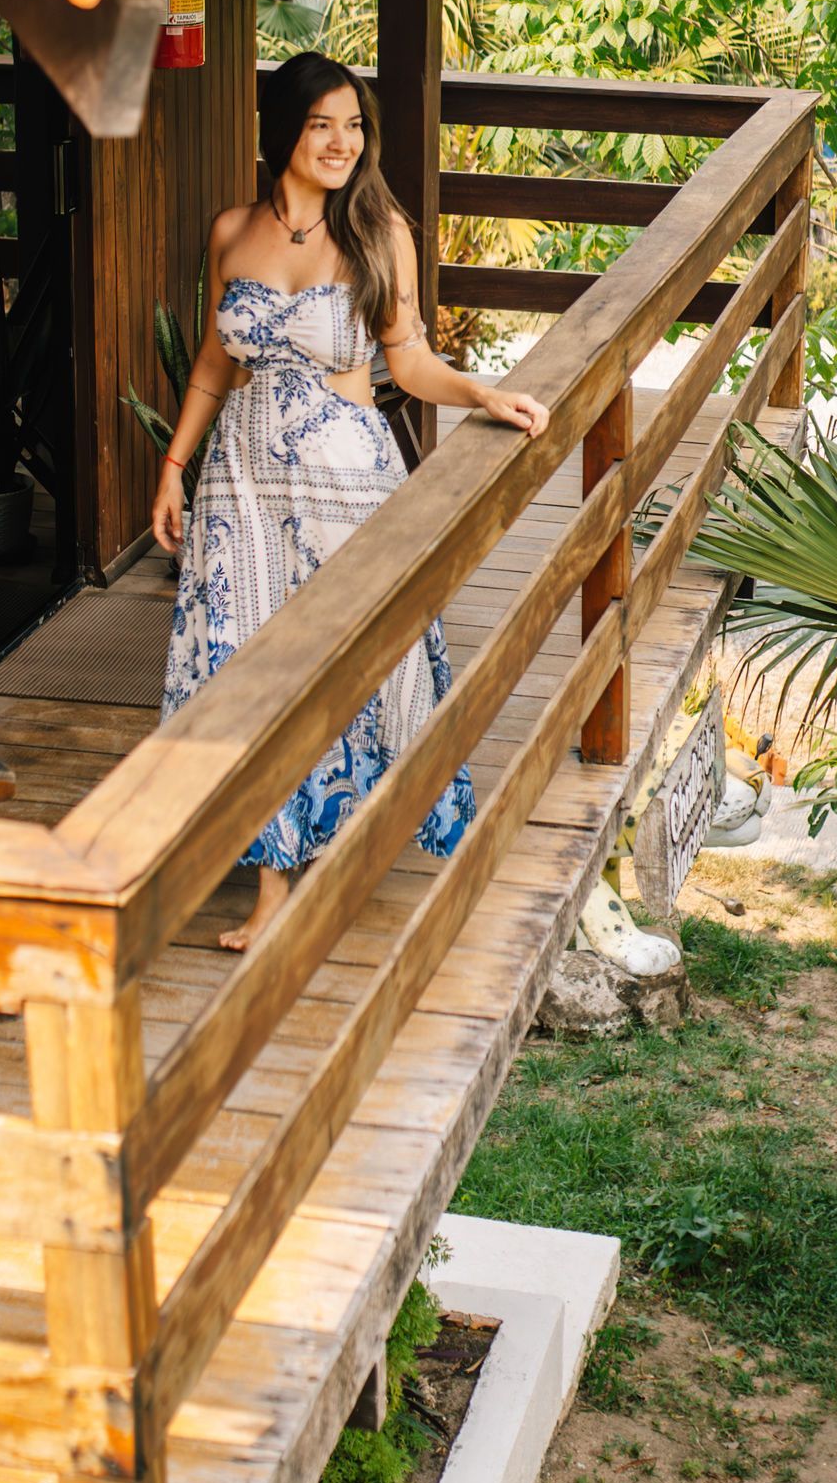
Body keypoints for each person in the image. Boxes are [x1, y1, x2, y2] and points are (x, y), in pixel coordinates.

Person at [154, 50, 548, 948]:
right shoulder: (232, 232)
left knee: (354, 663)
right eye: (321, 124)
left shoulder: (379, 232)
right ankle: (272, 887)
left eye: (354, 126)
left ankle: (349, 842)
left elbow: (407, 362)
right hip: (242, 486)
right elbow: (215, 362)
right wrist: (174, 464)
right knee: (247, 668)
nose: (342, 143)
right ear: (281, 131)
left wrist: (482, 393)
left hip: (345, 479)